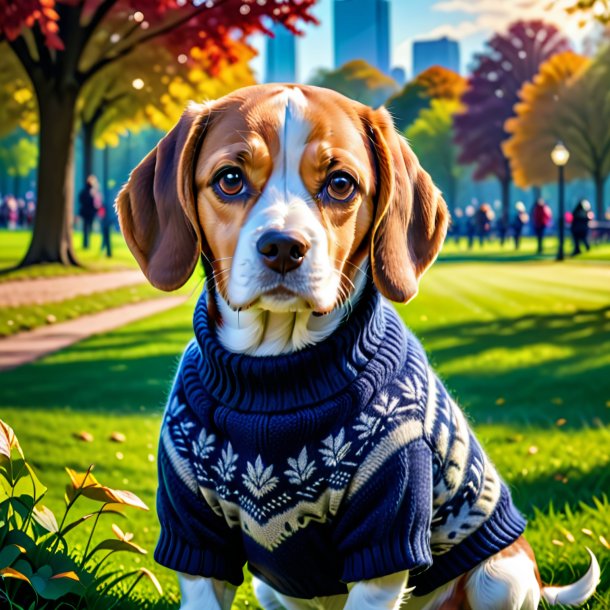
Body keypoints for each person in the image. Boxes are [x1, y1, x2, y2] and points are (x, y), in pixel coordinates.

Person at [78, 175, 101, 249]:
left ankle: (86, 243)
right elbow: (95, 203)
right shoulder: (93, 192)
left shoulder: (83, 191)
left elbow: (80, 200)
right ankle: (87, 243)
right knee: (89, 227)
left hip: (85, 212)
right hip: (90, 213)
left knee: (86, 228)